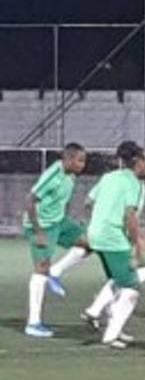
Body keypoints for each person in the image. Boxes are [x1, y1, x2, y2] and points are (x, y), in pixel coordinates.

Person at [79, 143, 145, 349]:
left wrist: (102, 216)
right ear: (138, 161)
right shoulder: (136, 184)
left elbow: (88, 202)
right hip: (113, 238)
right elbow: (129, 215)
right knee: (131, 287)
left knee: (124, 279)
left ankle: (96, 312)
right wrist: (136, 245)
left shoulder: (109, 177)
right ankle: (110, 335)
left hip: (96, 235)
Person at [23, 143, 89, 337]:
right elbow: (30, 200)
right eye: (79, 160)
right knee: (40, 268)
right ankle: (33, 323)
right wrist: (38, 232)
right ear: (68, 159)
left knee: (89, 243)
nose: (82, 165)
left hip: (58, 222)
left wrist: (68, 222)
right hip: (41, 225)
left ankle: (56, 271)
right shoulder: (53, 174)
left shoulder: (71, 175)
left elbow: (61, 200)